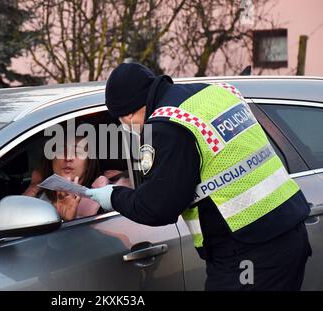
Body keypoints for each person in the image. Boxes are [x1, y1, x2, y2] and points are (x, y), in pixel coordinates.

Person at [86, 63, 312, 290]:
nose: (127, 126)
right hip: (290, 230)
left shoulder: (167, 126)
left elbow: (157, 207)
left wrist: (114, 196)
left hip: (249, 249)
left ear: (128, 113)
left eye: (123, 120)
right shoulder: (214, 93)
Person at [23, 135, 130, 221]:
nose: (68, 158)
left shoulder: (108, 197)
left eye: (77, 152)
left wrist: (69, 222)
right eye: (61, 150)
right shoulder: (40, 193)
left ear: (88, 162)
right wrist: (32, 190)